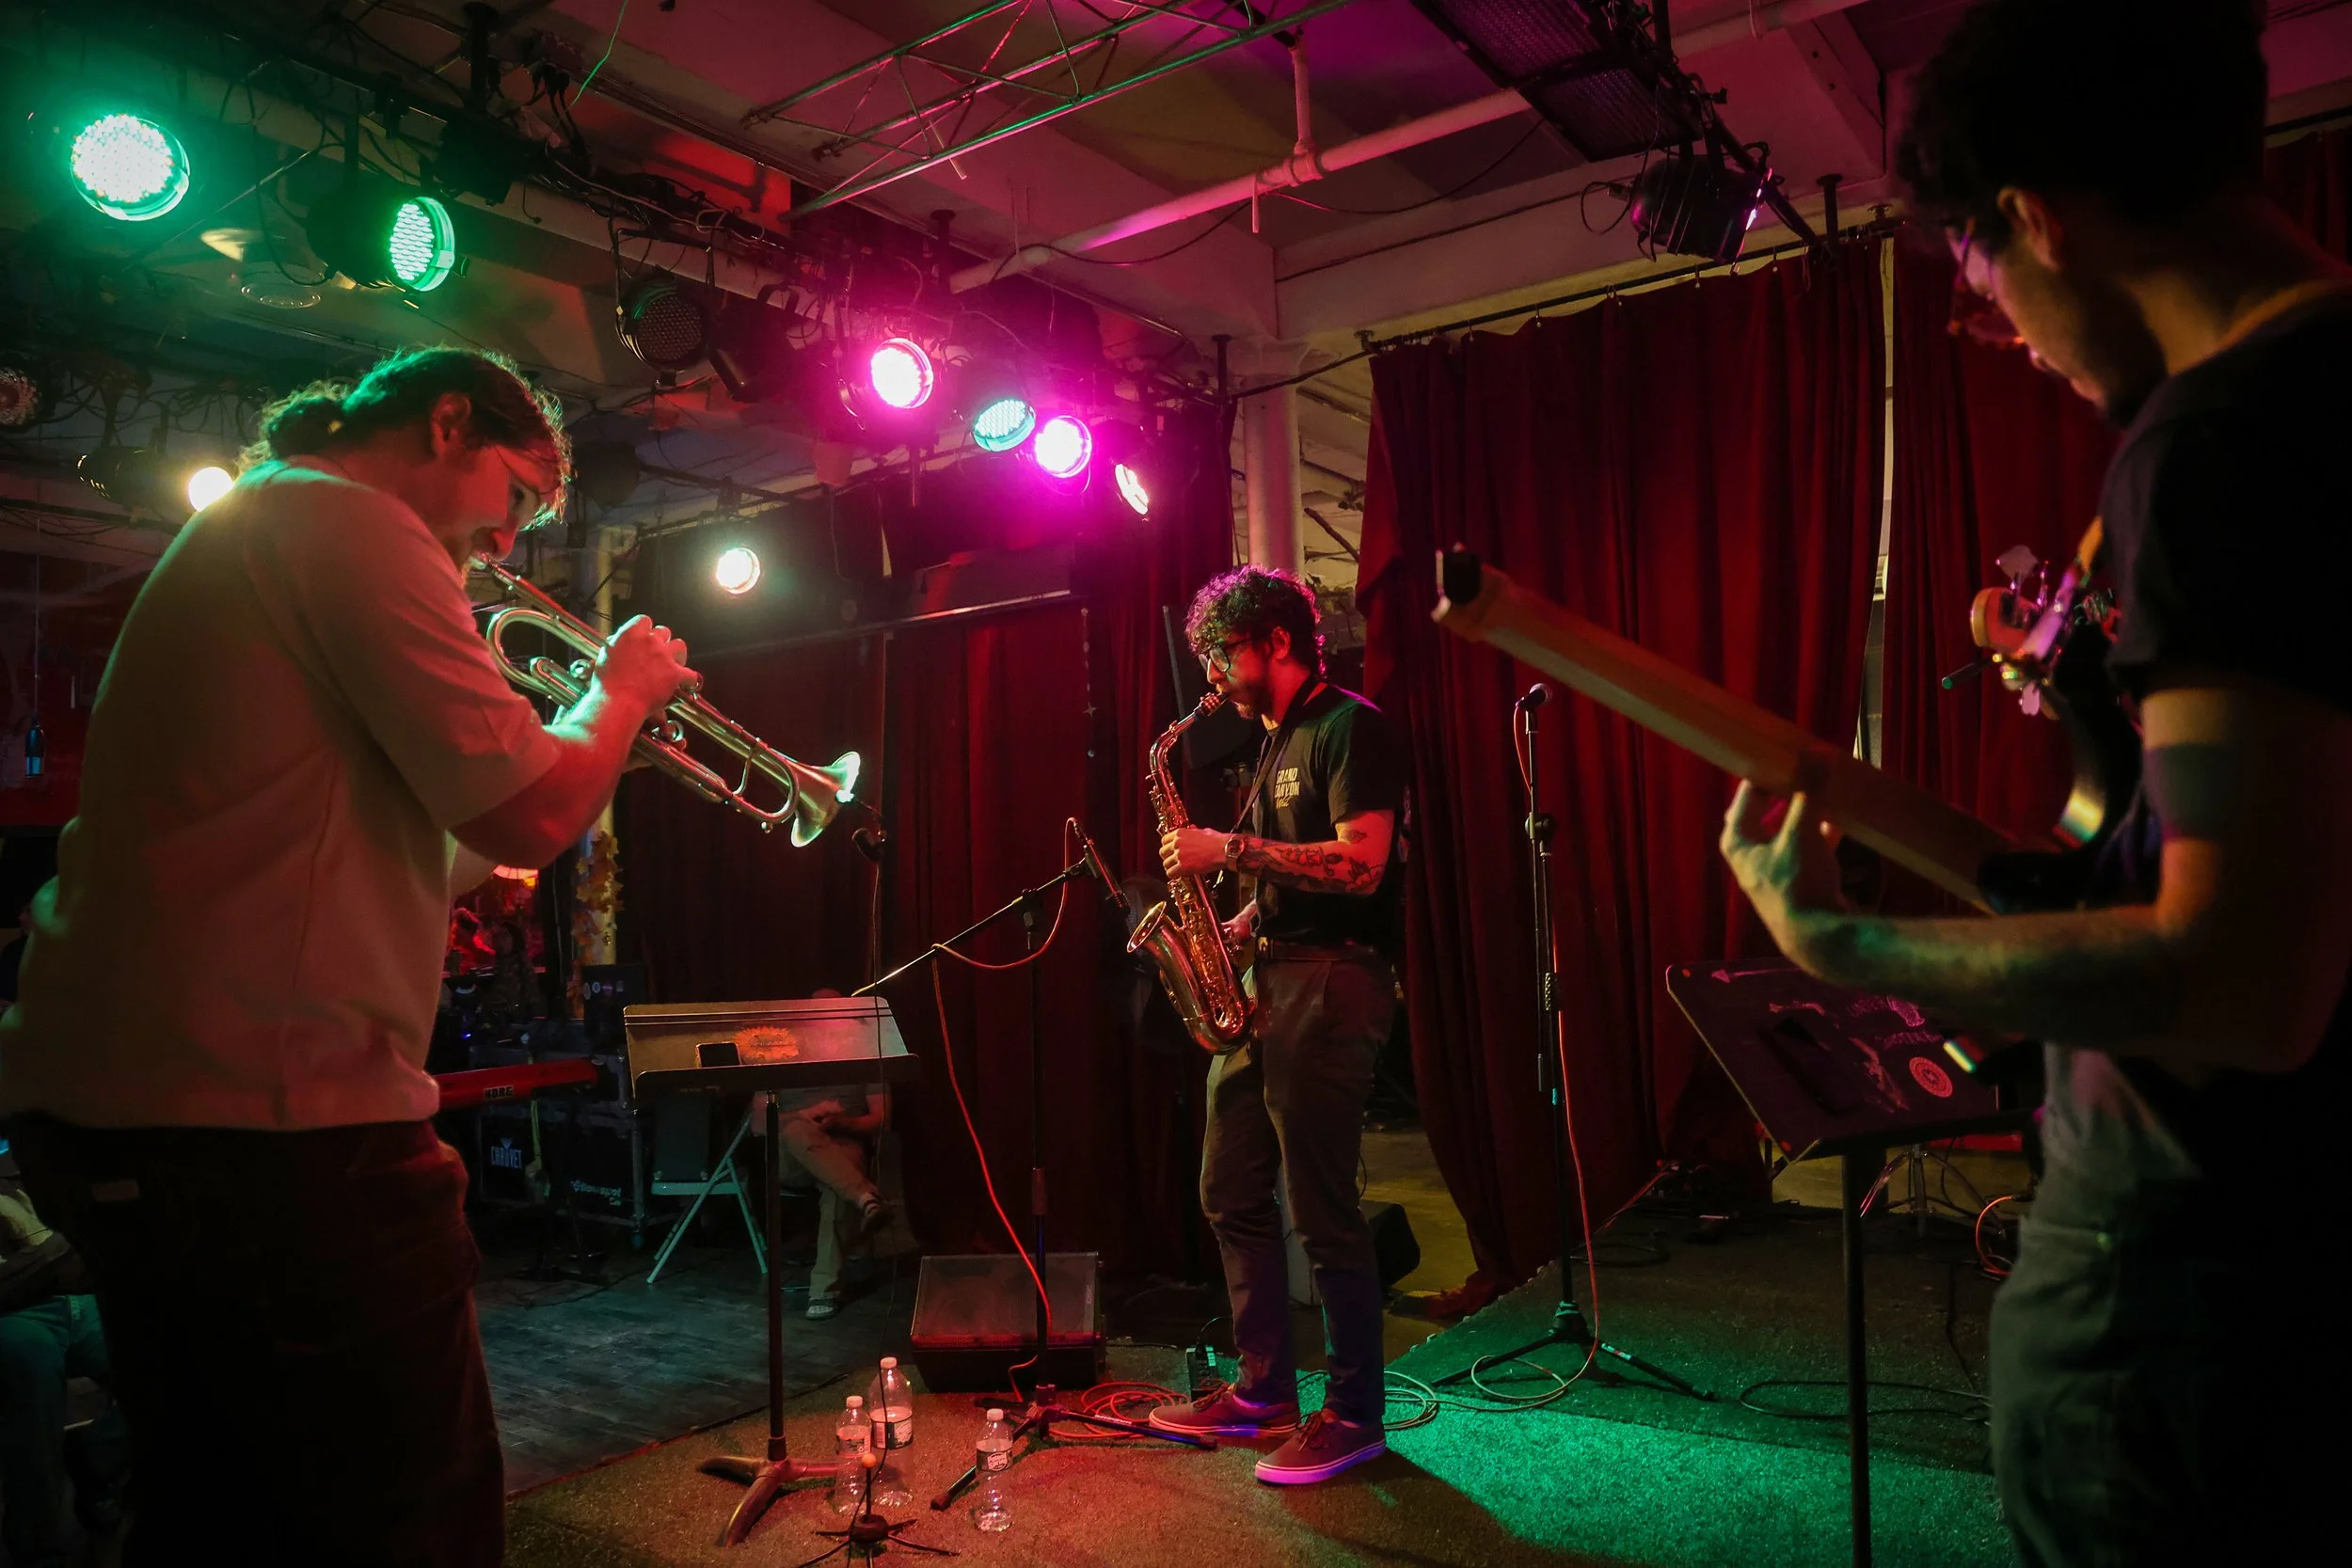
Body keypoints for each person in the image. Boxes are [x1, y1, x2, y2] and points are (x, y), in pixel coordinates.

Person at [1720, 4, 2351, 1563]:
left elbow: (2245, 977)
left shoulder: (2216, 441)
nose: (2026, 346)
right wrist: (1967, 849)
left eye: (1987, 289)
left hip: (2189, 1271)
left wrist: (1847, 952)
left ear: (2034, 215)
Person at [0, 346, 699, 1565]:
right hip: (272, 1136)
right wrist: (618, 698)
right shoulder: (350, 525)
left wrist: (591, 750)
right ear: (444, 425)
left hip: (141, 1120)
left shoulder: (262, 531)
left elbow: (397, 857)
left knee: (228, 1518)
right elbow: (526, 813)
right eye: (518, 498)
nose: (511, 549)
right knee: (411, 1521)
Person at [1148, 565, 1406, 1486]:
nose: (1213, 671)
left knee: (1325, 1209)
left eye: (1223, 650)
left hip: (1333, 980)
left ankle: (1354, 1412)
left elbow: (1364, 864)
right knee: (1230, 1189)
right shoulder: (1270, 742)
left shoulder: (1349, 726)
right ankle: (1263, 1390)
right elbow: (1289, 877)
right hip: (1269, 979)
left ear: (1277, 641)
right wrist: (1240, 921)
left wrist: (1231, 849)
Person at [0, 1151, 121, 1568]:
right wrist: (58, 1253)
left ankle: (98, 1454)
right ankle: (40, 1545)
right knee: (25, 1358)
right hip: (15, 1318)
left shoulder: (24, 1155)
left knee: (173, 1352)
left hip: (81, 1299)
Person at [754, 992, 892, 1321]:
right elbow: (758, 1124)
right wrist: (809, 1114)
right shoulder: (781, 1055)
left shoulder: (866, 1056)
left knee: (835, 1186)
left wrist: (841, 1122)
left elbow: (882, 1117)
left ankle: (823, 1291)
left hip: (844, 1144)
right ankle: (865, 1196)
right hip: (792, 1156)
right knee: (797, 1131)